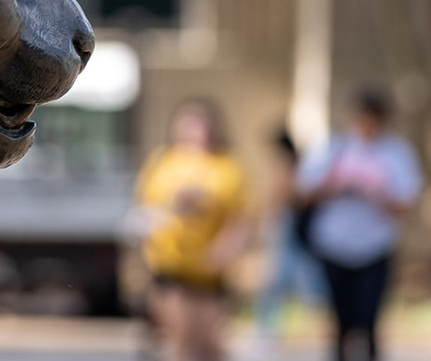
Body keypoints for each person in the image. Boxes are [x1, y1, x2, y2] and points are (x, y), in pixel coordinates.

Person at [297, 90, 422, 361]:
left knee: (368, 319)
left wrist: (375, 193)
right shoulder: (333, 147)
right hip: (334, 245)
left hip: (375, 246)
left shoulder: (396, 153)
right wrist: (337, 185)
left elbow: (407, 204)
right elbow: (304, 193)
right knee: (340, 321)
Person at [134, 98, 250, 361]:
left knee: (209, 344)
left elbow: (239, 218)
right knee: (179, 342)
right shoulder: (163, 162)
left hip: (209, 273)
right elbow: (146, 208)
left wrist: (226, 248)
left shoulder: (227, 167)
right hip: (170, 266)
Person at [251, 127, 325, 347]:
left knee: (287, 281)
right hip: (283, 230)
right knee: (277, 282)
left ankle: (270, 328)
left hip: (288, 230)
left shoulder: (293, 169)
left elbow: (283, 198)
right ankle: (267, 327)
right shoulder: (291, 169)